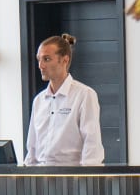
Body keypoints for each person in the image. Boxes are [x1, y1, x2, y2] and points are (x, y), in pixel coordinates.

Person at [22, 33, 104, 166]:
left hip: (71, 174)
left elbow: (92, 144)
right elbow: (32, 148)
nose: (41, 65)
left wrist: (88, 175)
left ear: (65, 60)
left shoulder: (84, 95)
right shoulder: (39, 100)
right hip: (40, 174)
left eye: (46, 59)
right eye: (39, 60)